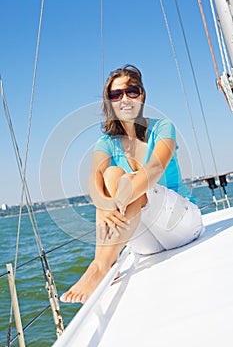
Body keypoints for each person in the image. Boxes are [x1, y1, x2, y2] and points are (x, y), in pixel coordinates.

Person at [60, 64, 204, 304]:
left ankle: (100, 267)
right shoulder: (106, 141)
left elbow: (155, 168)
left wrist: (117, 200)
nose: (124, 98)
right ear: (110, 103)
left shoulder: (162, 127)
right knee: (110, 174)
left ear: (142, 95)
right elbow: (93, 179)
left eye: (131, 91)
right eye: (116, 94)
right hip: (146, 243)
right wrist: (105, 205)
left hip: (181, 225)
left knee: (131, 180)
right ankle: (104, 263)